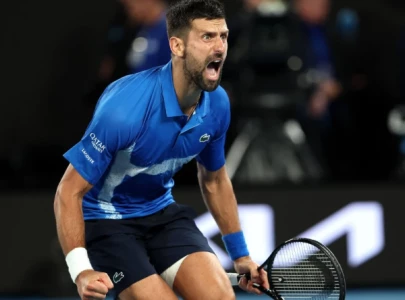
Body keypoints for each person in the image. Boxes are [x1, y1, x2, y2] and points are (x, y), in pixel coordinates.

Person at [53, 1, 269, 300]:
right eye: (207, 37)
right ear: (177, 45)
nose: (220, 47)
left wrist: (241, 256)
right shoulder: (125, 109)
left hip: (161, 214)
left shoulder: (217, 104)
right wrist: (81, 270)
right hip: (105, 222)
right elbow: (68, 191)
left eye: (224, 36)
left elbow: (214, 180)